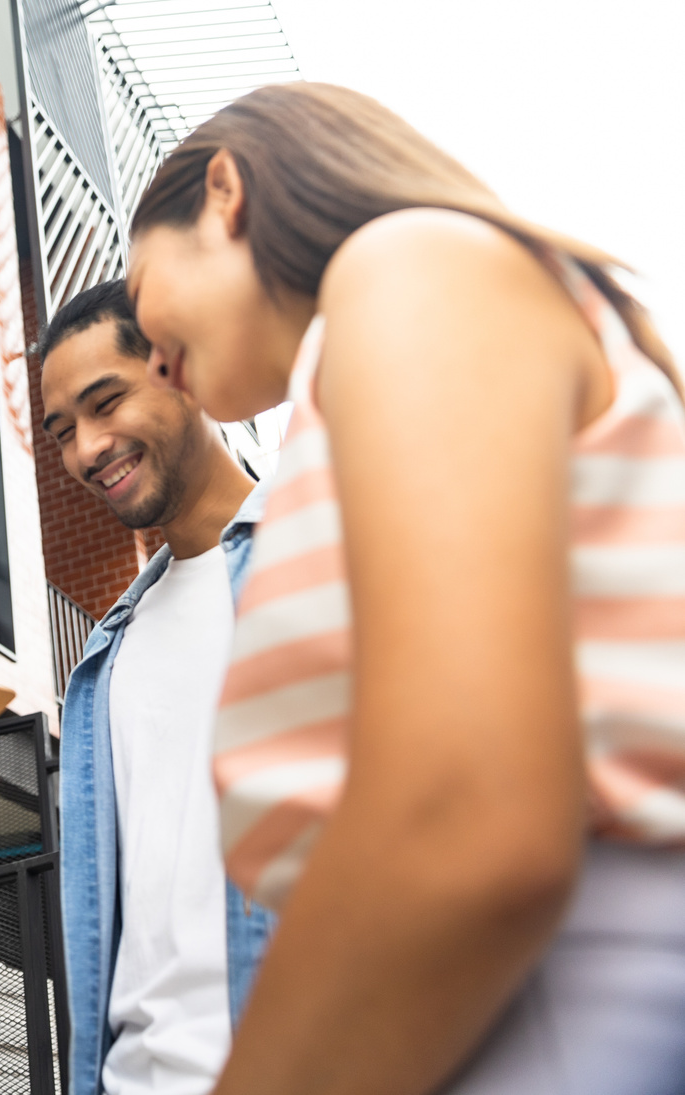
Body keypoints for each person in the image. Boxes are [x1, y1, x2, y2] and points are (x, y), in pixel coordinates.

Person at [125, 82, 685, 1094]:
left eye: (137, 291)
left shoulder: (412, 267)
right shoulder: (397, 329)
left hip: (561, 1001)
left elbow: (462, 821)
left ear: (223, 195)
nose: (150, 353)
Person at [40, 279, 276, 1095]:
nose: (86, 449)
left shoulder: (335, 554)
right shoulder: (103, 664)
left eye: (107, 402)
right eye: (62, 431)